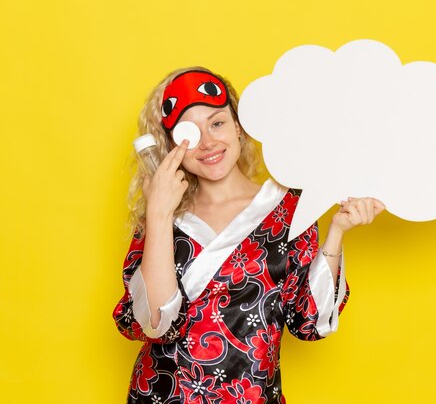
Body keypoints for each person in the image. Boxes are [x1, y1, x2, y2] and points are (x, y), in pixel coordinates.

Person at [112, 66, 385, 404]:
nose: (208, 142)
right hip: (164, 396)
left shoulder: (288, 208)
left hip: (253, 395)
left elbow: (309, 321)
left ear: (238, 126)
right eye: (189, 133)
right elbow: (156, 324)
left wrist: (337, 232)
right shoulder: (161, 216)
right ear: (171, 146)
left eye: (217, 123)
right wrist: (159, 212)